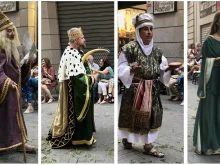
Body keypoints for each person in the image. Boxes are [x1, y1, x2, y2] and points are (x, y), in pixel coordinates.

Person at [118, 13, 177, 157]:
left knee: (152, 116)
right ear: (138, 31)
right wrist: (130, 70)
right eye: (145, 29)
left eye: (151, 29)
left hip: (152, 90)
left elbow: (161, 71)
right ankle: (127, 139)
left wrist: (168, 69)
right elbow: (121, 68)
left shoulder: (157, 52)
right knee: (132, 116)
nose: (149, 32)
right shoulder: (129, 49)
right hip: (135, 90)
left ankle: (148, 145)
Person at [47, 27, 96, 148]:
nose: (84, 39)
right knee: (77, 113)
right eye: (82, 38)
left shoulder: (76, 51)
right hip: (74, 91)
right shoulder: (71, 54)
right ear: (75, 40)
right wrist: (91, 79)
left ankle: (84, 136)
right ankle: (79, 137)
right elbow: (78, 78)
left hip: (75, 88)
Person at [0, 11, 36, 153]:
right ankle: (3, 144)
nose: (12, 33)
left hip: (14, 90)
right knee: (4, 118)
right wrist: (7, 82)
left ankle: (21, 143)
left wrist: (28, 63)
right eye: (8, 31)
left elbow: (18, 68)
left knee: (17, 117)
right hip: (4, 90)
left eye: (13, 30)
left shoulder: (12, 49)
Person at [193, 11, 220, 155]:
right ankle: (209, 143)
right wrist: (216, 60)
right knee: (211, 110)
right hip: (212, 79)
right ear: (217, 22)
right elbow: (204, 63)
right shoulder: (209, 41)